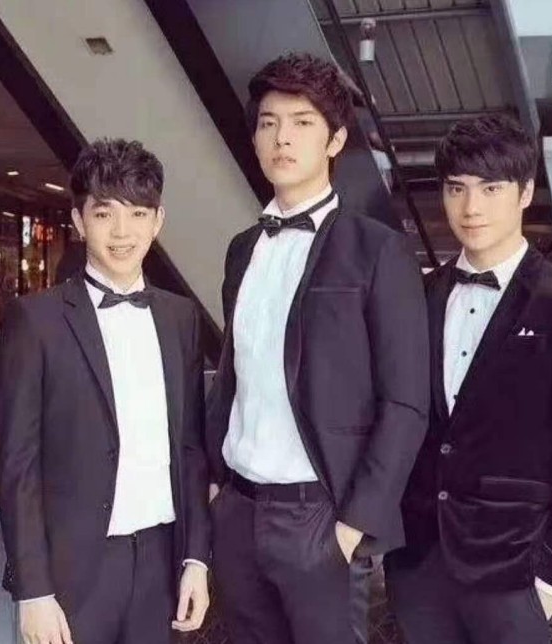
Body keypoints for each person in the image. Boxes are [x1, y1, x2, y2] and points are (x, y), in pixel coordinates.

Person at [204, 52, 429, 644]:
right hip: (238, 508)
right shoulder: (242, 248)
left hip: (320, 516)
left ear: (335, 139)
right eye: (269, 122)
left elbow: (406, 402)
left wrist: (355, 524)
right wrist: (215, 485)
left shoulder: (377, 249)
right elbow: (233, 372)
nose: (282, 138)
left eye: (302, 122)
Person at [385, 114, 552, 644]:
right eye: (457, 189)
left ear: (525, 192)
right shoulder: (418, 296)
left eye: (491, 188)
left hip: (516, 570)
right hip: (419, 563)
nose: (472, 207)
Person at [0, 138, 211, 644]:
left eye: (138, 214)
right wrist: (33, 589)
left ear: (157, 221)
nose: (122, 232)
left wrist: (197, 558)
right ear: (78, 219)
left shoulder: (180, 318)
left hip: (161, 560)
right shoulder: (36, 319)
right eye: (104, 213)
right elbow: (17, 463)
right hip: (72, 570)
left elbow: (191, 448)